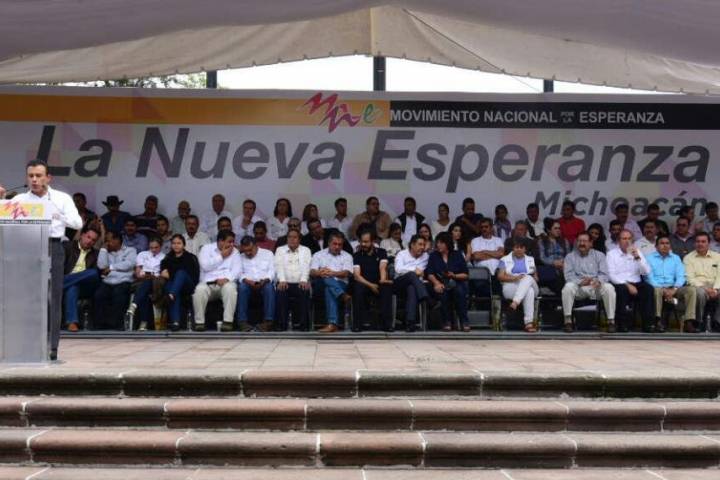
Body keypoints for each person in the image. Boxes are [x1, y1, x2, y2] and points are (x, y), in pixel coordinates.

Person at [2, 159, 82, 360]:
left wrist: (57, 215)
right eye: (31, 176)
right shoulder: (20, 199)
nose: (34, 180)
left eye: (38, 176)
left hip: (54, 246)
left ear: (48, 178)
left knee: (54, 297)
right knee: (27, 297)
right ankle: (26, 345)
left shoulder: (61, 198)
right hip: (27, 248)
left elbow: (78, 223)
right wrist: (2, 200)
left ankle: (53, 347)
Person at [562, 232, 617, 333]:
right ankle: (568, 321)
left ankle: (611, 321)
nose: (582, 243)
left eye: (584, 241)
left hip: (595, 286)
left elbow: (604, 274)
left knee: (609, 288)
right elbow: (568, 276)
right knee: (568, 287)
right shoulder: (570, 257)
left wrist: (597, 281)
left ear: (591, 243)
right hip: (579, 287)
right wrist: (580, 282)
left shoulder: (600, 255)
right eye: (579, 241)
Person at [646, 235, 697, 333]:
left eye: (667, 243)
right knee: (657, 291)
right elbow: (648, 277)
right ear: (656, 246)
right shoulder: (649, 258)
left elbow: (681, 276)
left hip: (673, 287)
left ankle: (689, 321)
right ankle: (657, 321)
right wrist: (663, 289)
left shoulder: (675, 258)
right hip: (658, 287)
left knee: (691, 290)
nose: (665, 246)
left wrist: (675, 289)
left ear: (670, 246)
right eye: (662, 243)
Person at [192, 229, 240, 332]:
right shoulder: (206, 249)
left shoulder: (235, 252)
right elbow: (205, 266)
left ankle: (228, 322)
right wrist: (222, 256)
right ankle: (199, 323)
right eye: (229, 241)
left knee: (231, 288)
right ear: (220, 241)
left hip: (225, 283)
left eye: (233, 242)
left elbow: (237, 270)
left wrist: (226, 279)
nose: (232, 244)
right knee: (199, 290)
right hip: (208, 284)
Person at [607, 229, 653, 332]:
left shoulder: (637, 252)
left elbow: (646, 272)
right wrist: (627, 285)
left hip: (636, 283)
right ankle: (622, 324)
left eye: (629, 238)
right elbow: (611, 275)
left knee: (648, 289)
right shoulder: (611, 254)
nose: (627, 241)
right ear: (619, 241)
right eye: (624, 238)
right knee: (622, 290)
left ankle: (648, 324)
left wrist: (637, 257)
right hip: (620, 283)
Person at [310, 231, 354, 333]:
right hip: (320, 285)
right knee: (325, 277)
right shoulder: (318, 255)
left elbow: (347, 273)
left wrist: (332, 273)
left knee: (329, 289)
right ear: (329, 243)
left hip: (341, 284)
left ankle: (332, 324)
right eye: (334, 244)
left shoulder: (347, 256)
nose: (337, 247)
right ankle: (342, 295)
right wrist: (319, 272)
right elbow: (312, 271)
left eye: (340, 244)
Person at [427, 232, 470, 332]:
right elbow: (429, 273)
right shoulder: (433, 256)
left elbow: (466, 274)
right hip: (441, 282)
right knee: (443, 292)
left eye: (441, 243)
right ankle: (447, 322)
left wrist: (454, 275)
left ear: (448, 243)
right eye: (437, 243)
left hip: (456, 281)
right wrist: (436, 283)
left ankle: (464, 321)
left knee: (459, 291)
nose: (438, 245)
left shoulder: (457, 254)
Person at [352, 229, 393, 332]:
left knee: (386, 288)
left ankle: (387, 324)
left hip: (378, 282)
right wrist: (371, 285)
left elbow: (382, 268)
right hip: (364, 283)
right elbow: (357, 275)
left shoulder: (381, 252)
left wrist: (382, 280)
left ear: (373, 241)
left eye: (366, 242)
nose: (363, 244)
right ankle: (357, 324)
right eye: (361, 241)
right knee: (357, 287)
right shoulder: (357, 255)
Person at [95, 230, 136, 330]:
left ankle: (117, 325)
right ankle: (100, 325)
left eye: (108, 240)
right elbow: (101, 266)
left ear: (117, 240)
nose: (107, 243)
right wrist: (103, 250)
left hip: (124, 280)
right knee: (98, 295)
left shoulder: (130, 250)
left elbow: (129, 264)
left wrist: (111, 267)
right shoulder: (106, 251)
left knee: (118, 295)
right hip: (108, 281)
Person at [62, 224, 100, 332]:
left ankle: (60, 284)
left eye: (93, 240)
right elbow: (59, 266)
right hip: (71, 284)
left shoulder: (96, 254)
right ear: (82, 235)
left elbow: (96, 275)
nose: (90, 241)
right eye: (88, 237)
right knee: (73, 287)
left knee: (93, 273)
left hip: (85, 286)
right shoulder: (67, 246)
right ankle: (72, 323)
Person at [497, 238, 540, 333]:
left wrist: (526, 278)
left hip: (530, 284)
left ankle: (515, 303)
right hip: (511, 286)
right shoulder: (504, 259)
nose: (519, 249)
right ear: (513, 248)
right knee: (529, 291)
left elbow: (536, 278)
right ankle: (528, 323)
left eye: (521, 247)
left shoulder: (531, 259)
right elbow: (500, 276)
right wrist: (515, 278)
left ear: (525, 249)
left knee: (527, 278)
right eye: (517, 247)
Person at [159, 234, 200, 331]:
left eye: (179, 243)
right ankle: (176, 322)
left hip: (188, 285)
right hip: (174, 286)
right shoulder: (167, 258)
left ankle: (171, 295)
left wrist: (172, 274)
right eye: (174, 243)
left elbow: (193, 275)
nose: (176, 245)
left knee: (181, 273)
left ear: (184, 245)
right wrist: (173, 275)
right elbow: (163, 273)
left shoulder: (190, 257)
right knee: (171, 287)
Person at [235, 236, 276, 332]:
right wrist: (247, 281)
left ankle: (268, 322)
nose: (248, 253)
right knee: (242, 287)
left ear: (256, 246)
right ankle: (242, 322)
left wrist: (265, 280)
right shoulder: (240, 257)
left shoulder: (268, 254)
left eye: (250, 250)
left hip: (264, 282)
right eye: (245, 251)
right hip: (248, 283)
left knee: (269, 288)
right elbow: (238, 273)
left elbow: (273, 270)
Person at [274, 229, 312, 331]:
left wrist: (304, 279)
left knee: (304, 290)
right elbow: (278, 266)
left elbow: (307, 266)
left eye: (295, 237)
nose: (292, 239)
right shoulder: (280, 250)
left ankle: (302, 325)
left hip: (300, 282)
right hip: (285, 282)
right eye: (289, 237)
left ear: (299, 239)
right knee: (281, 290)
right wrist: (282, 280)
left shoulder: (306, 250)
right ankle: (282, 325)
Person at [683, 232, 720, 332]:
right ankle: (699, 322)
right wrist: (706, 289)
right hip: (699, 286)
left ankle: (717, 322)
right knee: (699, 293)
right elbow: (689, 278)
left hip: (715, 285)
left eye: (703, 242)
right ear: (694, 243)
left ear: (708, 243)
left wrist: (716, 289)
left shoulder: (717, 257)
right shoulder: (688, 258)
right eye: (698, 241)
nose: (700, 244)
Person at [393, 235, 430, 332]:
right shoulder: (402, 254)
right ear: (412, 245)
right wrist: (414, 269)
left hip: (414, 285)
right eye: (420, 244)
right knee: (411, 275)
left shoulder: (425, 256)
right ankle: (425, 296)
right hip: (400, 283)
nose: (422, 247)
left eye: (424, 245)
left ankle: (410, 323)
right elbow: (398, 269)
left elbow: (423, 272)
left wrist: (417, 272)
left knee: (412, 288)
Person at [129, 236, 166, 331]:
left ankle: (134, 305)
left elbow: (162, 274)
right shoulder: (142, 254)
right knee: (145, 288)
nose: (153, 250)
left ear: (161, 246)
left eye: (156, 247)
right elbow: (138, 272)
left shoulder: (164, 257)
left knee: (148, 283)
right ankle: (143, 323)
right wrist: (144, 275)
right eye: (151, 247)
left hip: (156, 283)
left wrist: (151, 275)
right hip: (141, 281)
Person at [538, 220, 570, 295]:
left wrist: (563, 262)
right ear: (548, 230)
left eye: (559, 228)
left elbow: (569, 256)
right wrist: (553, 263)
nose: (558, 230)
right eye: (555, 228)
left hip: (563, 266)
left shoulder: (564, 241)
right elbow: (542, 257)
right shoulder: (542, 241)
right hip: (549, 267)